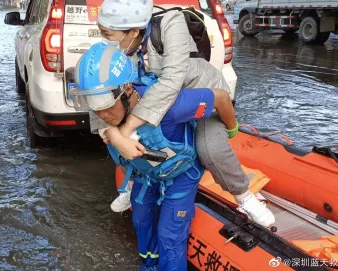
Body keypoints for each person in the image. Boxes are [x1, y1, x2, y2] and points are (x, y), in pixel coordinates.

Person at [91, 0, 275, 227]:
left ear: (133, 32)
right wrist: (118, 136)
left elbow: (171, 81)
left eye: (107, 34)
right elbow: (96, 91)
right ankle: (129, 188)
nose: (103, 41)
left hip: (200, 95)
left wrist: (127, 129)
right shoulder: (116, 49)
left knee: (210, 148)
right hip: (161, 103)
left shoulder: (171, 23)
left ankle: (243, 196)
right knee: (126, 141)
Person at [72, 42, 239, 270]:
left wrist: (232, 129)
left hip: (181, 174)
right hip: (146, 173)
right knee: (141, 220)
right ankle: (149, 265)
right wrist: (116, 135)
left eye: (105, 106)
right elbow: (104, 118)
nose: (101, 115)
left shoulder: (169, 105)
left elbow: (220, 98)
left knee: (169, 235)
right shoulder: (105, 113)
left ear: (127, 89)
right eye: (94, 107)